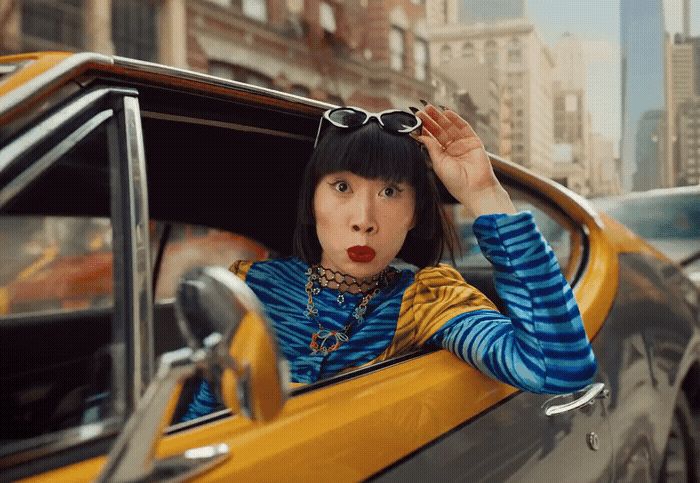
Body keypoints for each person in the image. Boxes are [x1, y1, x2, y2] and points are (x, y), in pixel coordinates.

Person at [181, 103, 598, 421]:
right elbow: (202, 413)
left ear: (415, 214)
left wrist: (484, 193)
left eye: (390, 192)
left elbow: (557, 367)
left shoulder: (428, 298)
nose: (364, 220)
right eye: (342, 187)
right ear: (312, 201)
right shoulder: (248, 287)